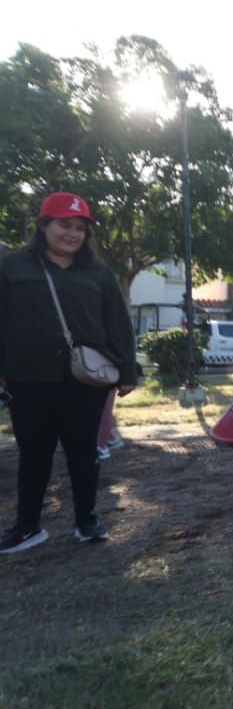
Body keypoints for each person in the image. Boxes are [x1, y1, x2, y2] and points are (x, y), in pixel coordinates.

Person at [0, 192, 138, 554]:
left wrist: (127, 370)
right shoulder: (12, 267)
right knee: (33, 454)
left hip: (85, 380)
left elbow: (117, 322)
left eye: (80, 228)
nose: (73, 234)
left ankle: (87, 520)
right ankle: (28, 526)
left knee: (84, 452)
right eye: (64, 225)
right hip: (28, 378)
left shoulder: (98, 272)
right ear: (44, 226)